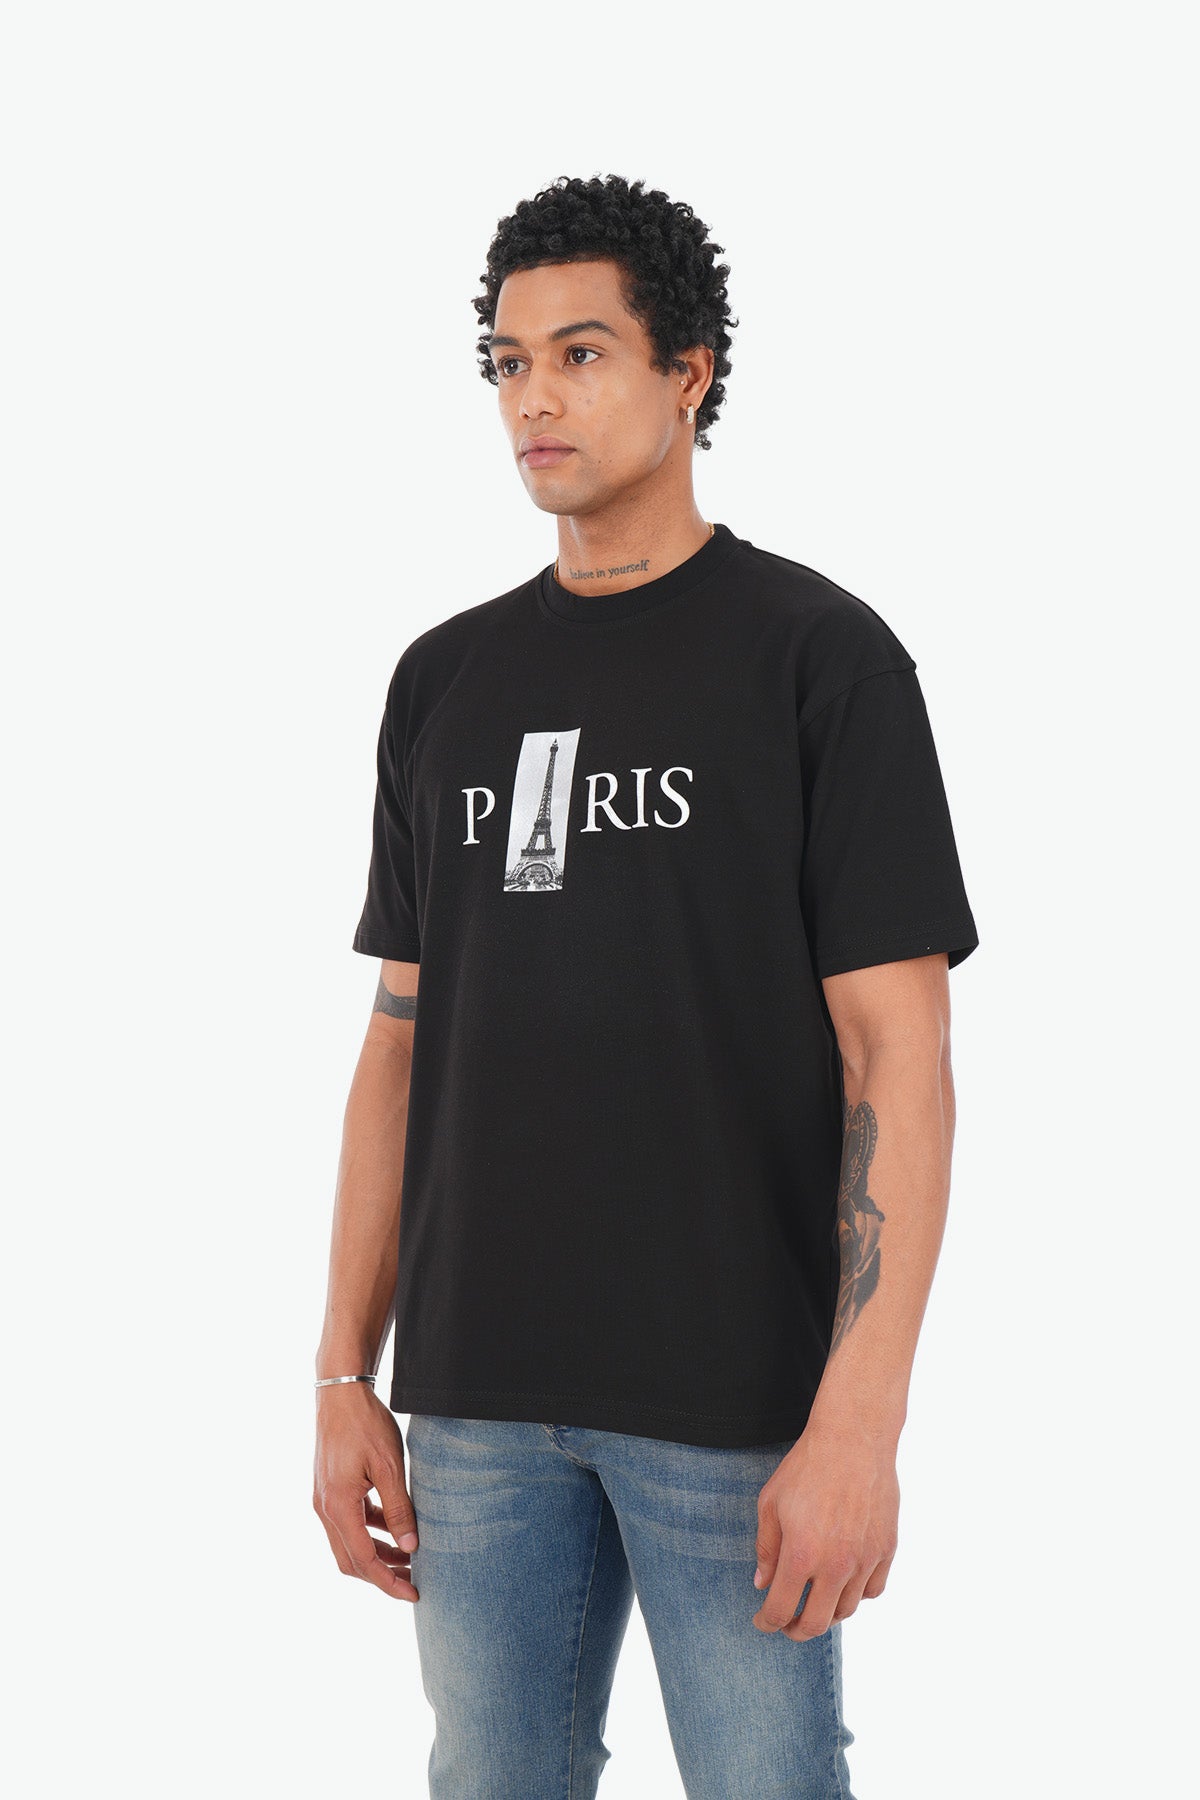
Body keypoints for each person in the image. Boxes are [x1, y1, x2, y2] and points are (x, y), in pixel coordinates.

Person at [313, 172, 979, 1799]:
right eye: (506, 361)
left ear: (690, 373)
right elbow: (399, 1045)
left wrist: (860, 1424)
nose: (532, 397)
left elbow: (899, 1054)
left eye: (581, 353)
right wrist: (343, 1372)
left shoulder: (819, 660)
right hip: (475, 1403)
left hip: (732, 1404)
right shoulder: (444, 679)